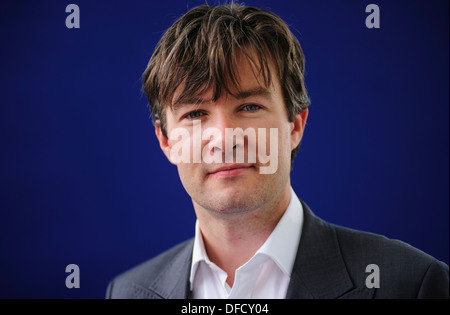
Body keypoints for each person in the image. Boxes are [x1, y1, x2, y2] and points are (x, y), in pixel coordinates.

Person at [106, 3, 449, 299]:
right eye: (195, 114)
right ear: (166, 141)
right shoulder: (126, 292)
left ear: (295, 126)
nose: (225, 138)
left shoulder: (409, 283)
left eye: (250, 107)